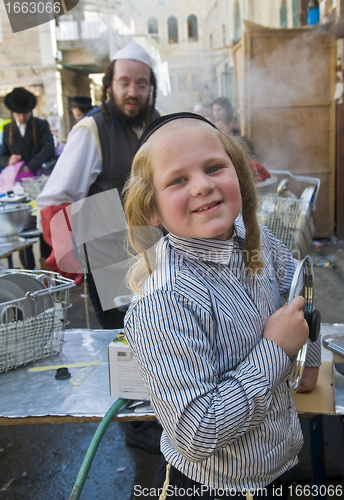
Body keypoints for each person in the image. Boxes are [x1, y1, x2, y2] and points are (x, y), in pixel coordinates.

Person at [123, 113, 321, 499]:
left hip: (279, 464)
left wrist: (307, 364)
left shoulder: (253, 241)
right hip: (213, 486)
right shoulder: (165, 301)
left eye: (214, 167)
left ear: (240, 177)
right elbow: (196, 433)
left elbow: (300, 287)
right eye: (177, 180)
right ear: (152, 208)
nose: (202, 186)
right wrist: (277, 350)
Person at [36, 40, 162, 454]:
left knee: (162, 333)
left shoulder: (157, 122)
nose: (132, 91)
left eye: (140, 84)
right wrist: (65, 259)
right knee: (127, 340)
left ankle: (166, 410)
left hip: (155, 246)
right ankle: (137, 424)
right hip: (108, 244)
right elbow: (56, 197)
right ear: (109, 85)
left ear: (150, 88)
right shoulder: (91, 128)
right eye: (124, 82)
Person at [0, 87, 55, 269]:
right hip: (19, 188)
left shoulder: (41, 125)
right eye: (19, 113)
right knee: (24, 225)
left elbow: (48, 149)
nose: (22, 117)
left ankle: (45, 265)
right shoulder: (8, 128)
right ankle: (28, 268)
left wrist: (29, 166)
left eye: (25, 113)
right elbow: (2, 155)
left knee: (42, 222)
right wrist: (10, 160)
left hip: (40, 183)